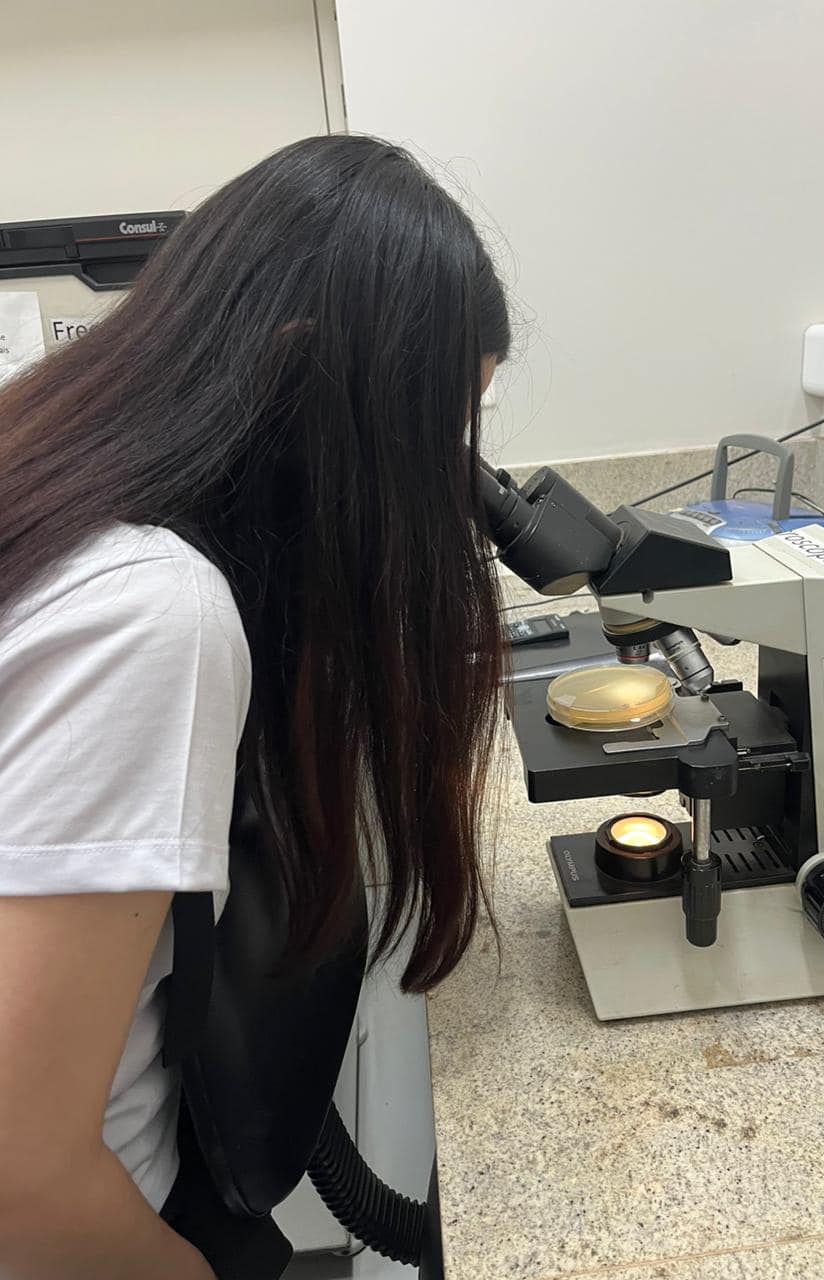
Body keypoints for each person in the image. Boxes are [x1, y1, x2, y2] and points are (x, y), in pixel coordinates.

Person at [0, 134, 510, 1279]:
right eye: (422, 440)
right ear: (301, 381)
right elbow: (17, 1180)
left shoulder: (58, 494)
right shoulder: (150, 611)